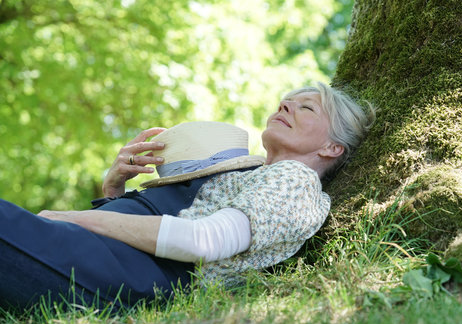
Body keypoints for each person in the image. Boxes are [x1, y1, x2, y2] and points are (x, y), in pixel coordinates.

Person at [0, 82, 375, 311]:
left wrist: (74, 217)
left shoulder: (295, 182)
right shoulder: (259, 175)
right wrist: (114, 192)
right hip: (108, 263)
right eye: (285, 101)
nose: (285, 106)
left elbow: (201, 240)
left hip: (131, 276)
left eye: (306, 107)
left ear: (331, 147)